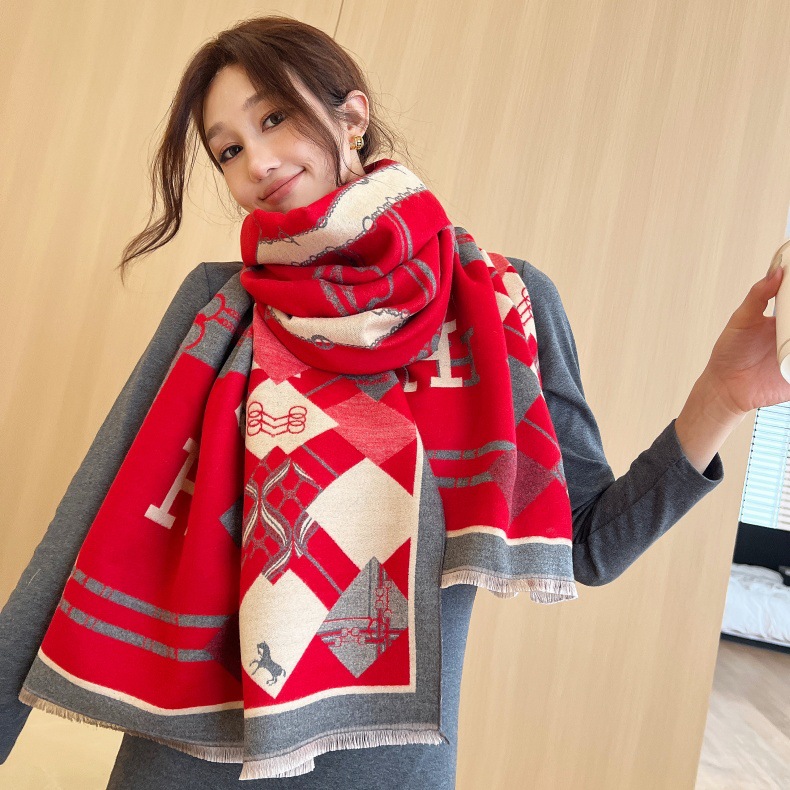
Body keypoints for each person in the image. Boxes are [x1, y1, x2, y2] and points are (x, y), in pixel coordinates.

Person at [1, 14, 789, 790]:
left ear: (353, 116)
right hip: (189, 762)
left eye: (274, 117)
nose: (258, 161)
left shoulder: (503, 308)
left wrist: (720, 396)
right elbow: (83, 526)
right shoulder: (220, 308)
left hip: (392, 772)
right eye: (229, 149)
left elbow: (587, 545)